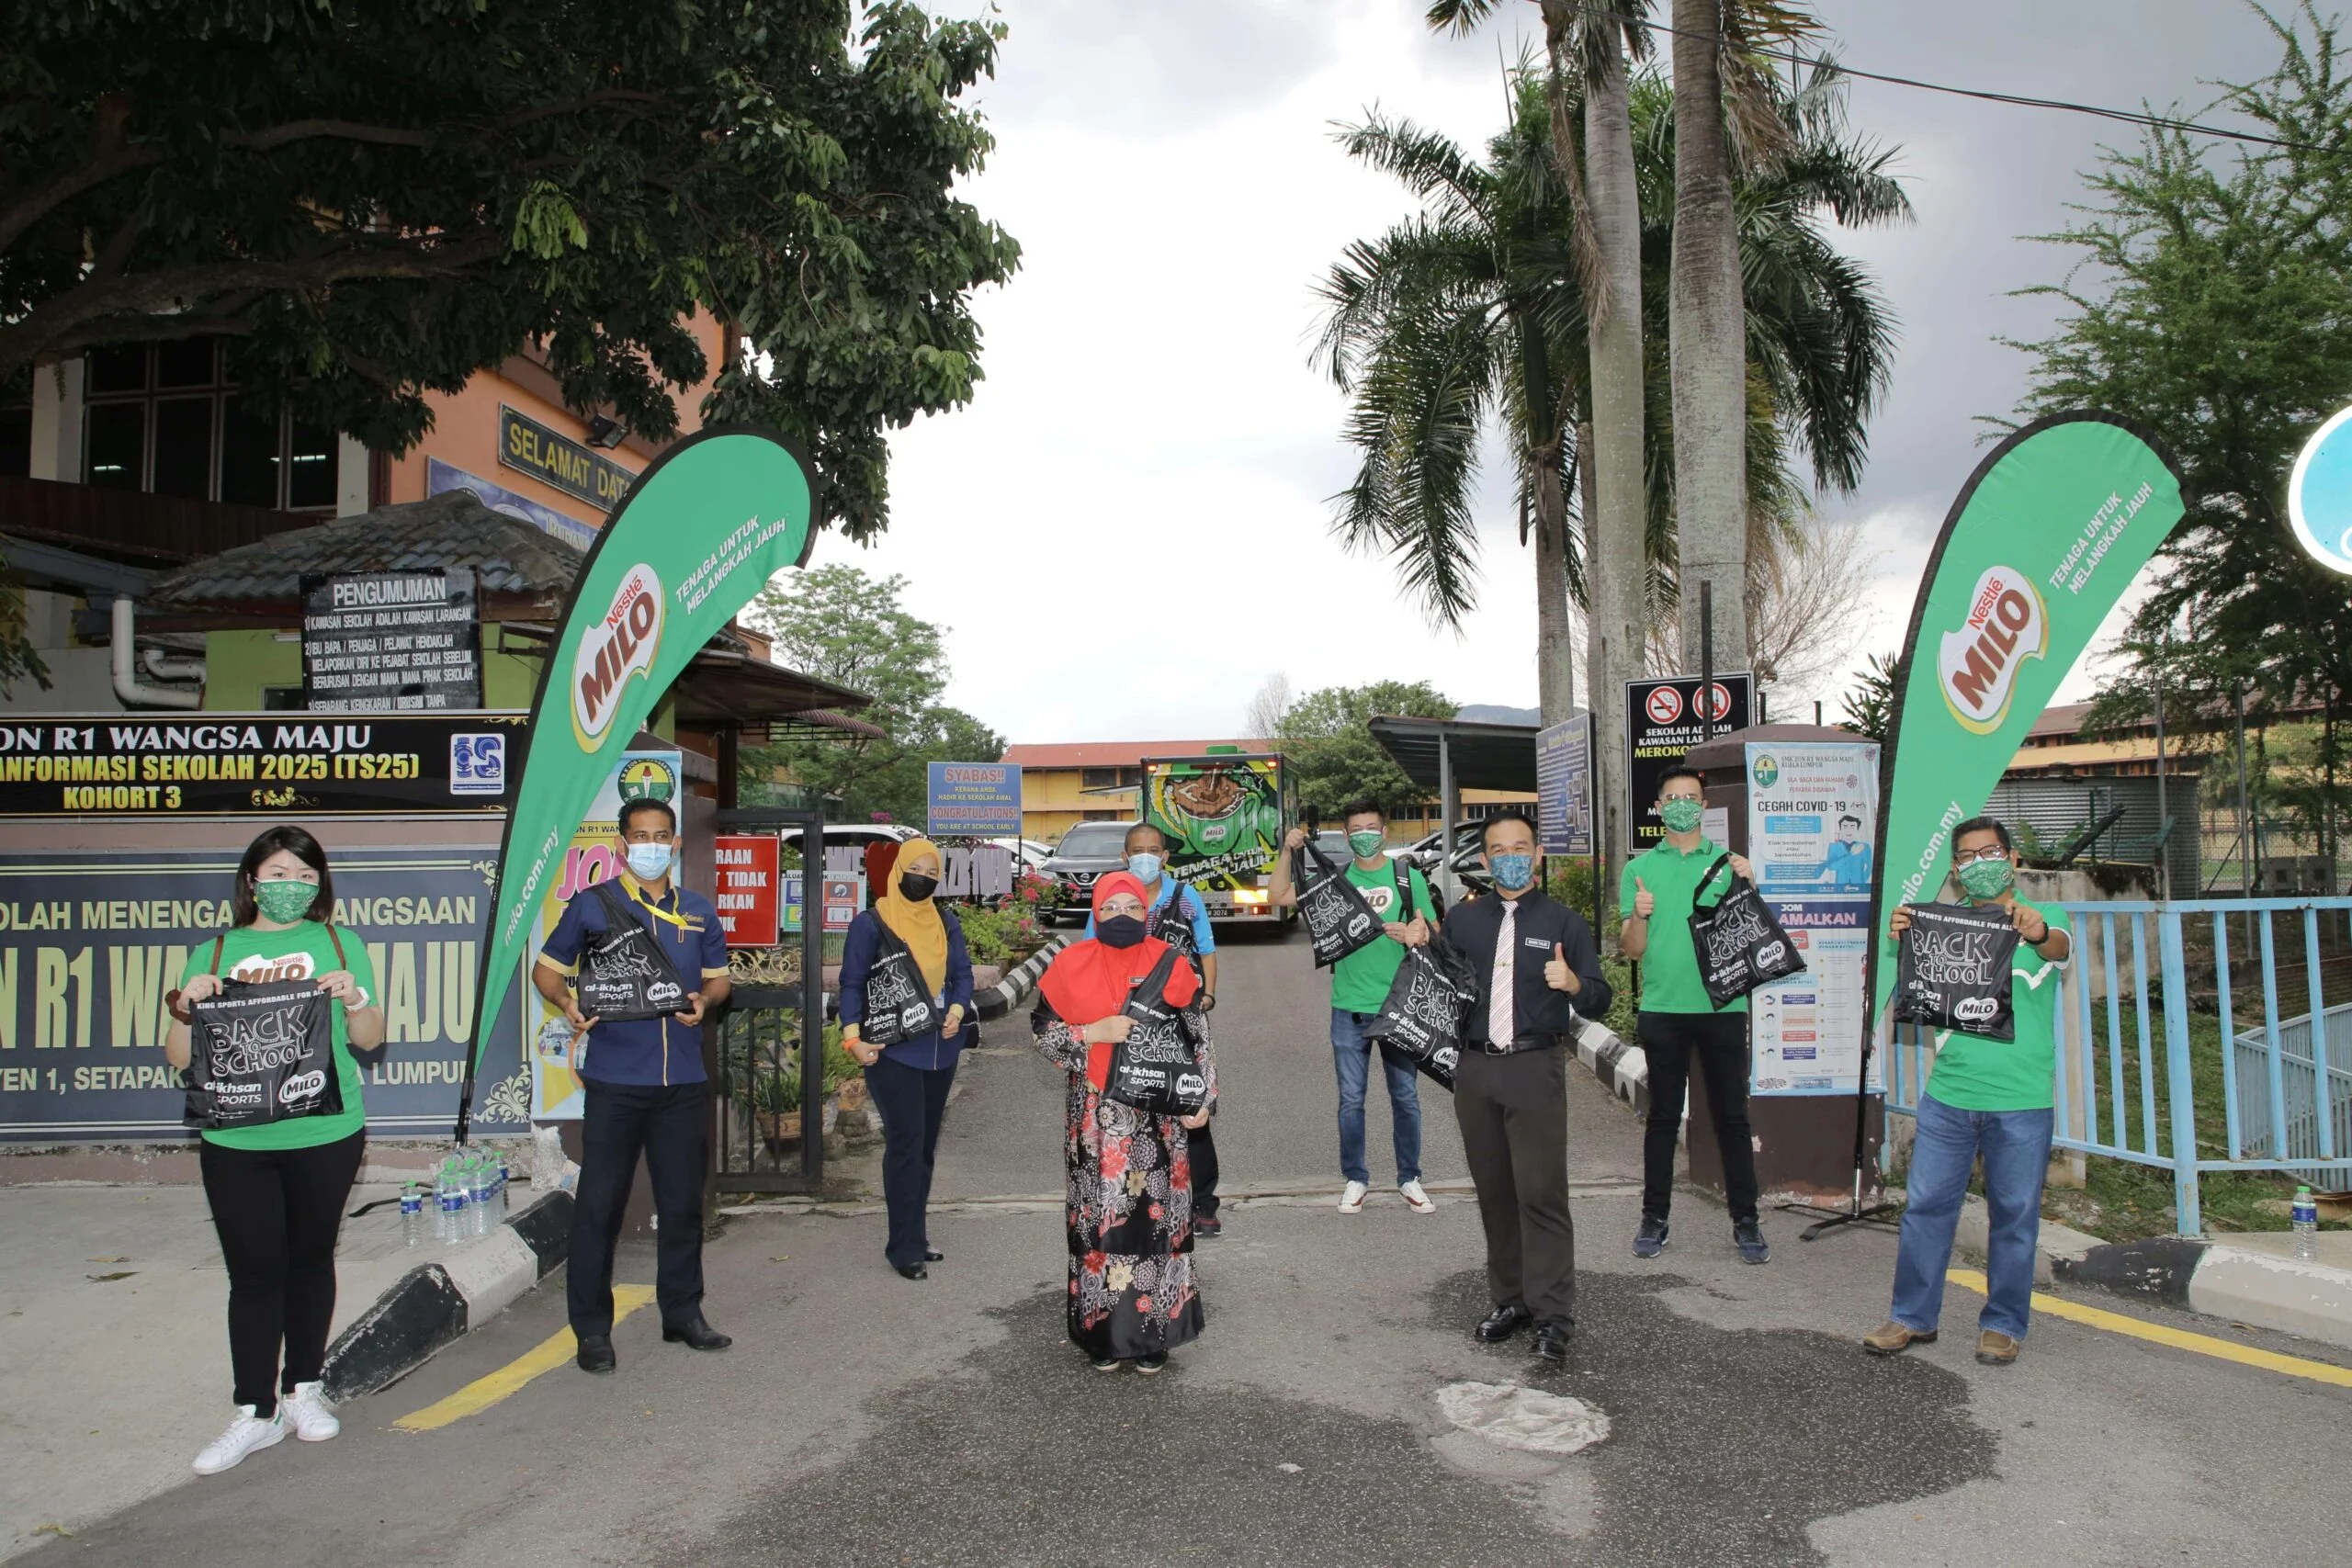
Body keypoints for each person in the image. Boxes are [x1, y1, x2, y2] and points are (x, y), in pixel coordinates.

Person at [164, 826, 386, 1475]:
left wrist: (356, 998)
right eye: (278, 873)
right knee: (256, 1272)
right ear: (251, 879)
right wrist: (187, 1008)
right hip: (234, 1136)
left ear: (320, 884)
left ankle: (304, 1391)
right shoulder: (214, 949)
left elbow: (371, 1039)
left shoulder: (340, 944)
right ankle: (253, 1411)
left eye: (304, 874)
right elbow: (179, 1057)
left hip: (325, 1130)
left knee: (312, 1260)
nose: (290, 885)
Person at [535, 795, 732, 1373]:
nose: (651, 844)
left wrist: (704, 1000)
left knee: (680, 1207)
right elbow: (548, 968)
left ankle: (683, 1313)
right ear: (623, 845)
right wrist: (568, 1002)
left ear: (674, 843)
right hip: (616, 1082)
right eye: (640, 835)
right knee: (599, 1207)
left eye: (661, 834)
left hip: (682, 1081)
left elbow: (720, 982)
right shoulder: (592, 905)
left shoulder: (697, 910)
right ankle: (592, 1331)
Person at [1866, 816, 2072, 1367]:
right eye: (1966, 857)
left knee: (2015, 1214)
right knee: (1927, 1207)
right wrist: (1902, 933)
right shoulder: (1941, 925)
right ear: (1955, 872)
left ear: (2012, 858)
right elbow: (1916, 980)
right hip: (1950, 1094)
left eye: (1989, 852)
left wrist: (2033, 932)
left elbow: (2057, 947)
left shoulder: (2042, 917)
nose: (1978, 863)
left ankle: (2003, 1324)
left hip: (2022, 1098)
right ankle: (1911, 1316)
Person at [1438, 808, 1610, 1363]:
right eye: (1499, 851)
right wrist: (1421, 944)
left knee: (1541, 1194)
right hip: (1476, 1071)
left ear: (1537, 855)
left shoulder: (1565, 923)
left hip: (1535, 1069)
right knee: (1495, 1193)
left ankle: (1553, 1314)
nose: (1510, 858)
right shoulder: (1463, 923)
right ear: (1485, 861)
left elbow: (1600, 998)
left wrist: (1574, 982)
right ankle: (1510, 1299)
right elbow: (1440, 988)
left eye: (1521, 848)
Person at [1033, 872, 1216, 1373]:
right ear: (1094, 910)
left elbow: (1197, 1034)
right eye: (1109, 907)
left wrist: (1205, 1096)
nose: (1120, 916)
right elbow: (1044, 1034)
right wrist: (1093, 1032)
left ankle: (1153, 1334)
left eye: (1132, 908)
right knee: (1100, 1225)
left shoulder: (1170, 963)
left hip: (1159, 1117)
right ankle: (1103, 1332)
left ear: (1146, 914)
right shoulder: (1070, 964)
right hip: (1094, 1120)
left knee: (1157, 1224)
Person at [1619, 761, 1770, 1265]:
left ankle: (1746, 1221)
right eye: (1672, 799)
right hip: (1662, 1009)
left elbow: (1749, 935)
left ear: (1704, 808)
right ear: (1658, 807)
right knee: (1663, 1117)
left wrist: (1752, 883)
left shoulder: (1731, 863)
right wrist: (1638, 915)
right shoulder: (1638, 869)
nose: (1682, 805)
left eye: (1691, 798)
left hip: (1724, 1007)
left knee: (1731, 1116)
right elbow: (1632, 950)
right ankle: (1654, 1218)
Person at [1269, 800, 1441, 1214]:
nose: (1364, 834)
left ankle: (1409, 1178)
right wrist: (1287, 851)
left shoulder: (1408, 877)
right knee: (1351, 1099)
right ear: (1346, 837)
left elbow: (1434, 931)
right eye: (1356, 829)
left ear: (1384, 833)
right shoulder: (1335, 880)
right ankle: (1356, 1178)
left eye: (1371, 827)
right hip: (1349, 1007)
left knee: (1406, 1097)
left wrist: (1416, 934)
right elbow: (1277, 895)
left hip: (1400, 1007)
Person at [840, 838, 975, 1280]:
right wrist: (852, 1038)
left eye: (932, 872)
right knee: (905, 1143)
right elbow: (852, 983)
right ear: (899, 869)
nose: (924, 877)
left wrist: (957, 1010)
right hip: (893, 1050)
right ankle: (902, 1248)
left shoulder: (945, 921)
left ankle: (916, 1234)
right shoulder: (871, 924)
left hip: (940, 1048)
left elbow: (962, 974)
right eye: (916, 867)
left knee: (924, 1146)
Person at [1083, 822, 1225, 1235]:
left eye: (1153, 849)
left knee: (1189, 1110)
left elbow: (1206, 949)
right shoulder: (1111, 899)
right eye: (1137, 849)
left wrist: (1207, 995)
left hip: (1177, 1021)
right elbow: (1088, 954)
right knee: (1131, 1114)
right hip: (1124, 1025)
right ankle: (1139, 1200)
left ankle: (1203, 1202)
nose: (1146, 855)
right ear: (1125, 856)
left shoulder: (1184, 898)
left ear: (1165, 856)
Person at [1825, 814, 1872, 888]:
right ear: (1840, 829)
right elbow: (1831, 867)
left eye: (1852, 827)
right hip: (1840, 885)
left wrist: (1863, 880)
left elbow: (1870, 866)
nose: (1848, 830)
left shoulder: (1864, 846)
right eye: (1845, 827)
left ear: (1858, 829)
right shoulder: (1834, 846)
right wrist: (1851, 854)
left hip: (1859, 885)